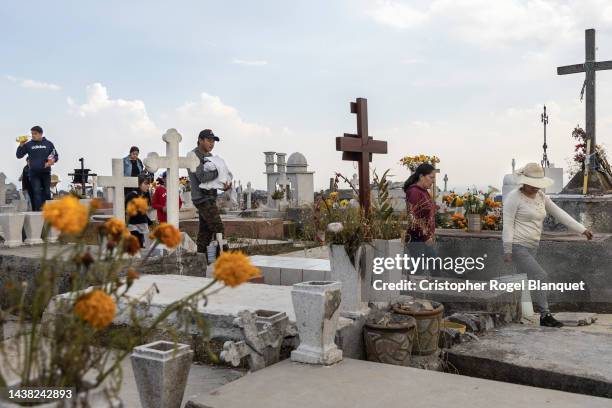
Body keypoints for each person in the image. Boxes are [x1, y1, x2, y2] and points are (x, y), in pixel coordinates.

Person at [503, 163, 593, 328]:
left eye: (538, 185)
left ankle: (521, 315)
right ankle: (545, 315)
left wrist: (582, 229)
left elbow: (559, 213)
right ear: (524, 182)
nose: (536, 188)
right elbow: (507, 224)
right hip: (518, 246)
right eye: (533, 185)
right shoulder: (513, 198)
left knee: (525, 281)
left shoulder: (541, 197)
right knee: (540, 276)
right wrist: (507, 249)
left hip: (533, 246)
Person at [187, 129, 231, 254]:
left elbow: (213, 181)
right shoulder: (193, 156)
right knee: (218, 228)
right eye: (209, 140)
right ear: (200, 140)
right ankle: (226, 260)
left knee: (205, 232)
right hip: (201, 198)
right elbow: (202, 177)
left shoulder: (211, 157)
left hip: (211, 197)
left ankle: (199, 260)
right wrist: (219, 171)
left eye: (213, 141)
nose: (211, 144)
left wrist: (224, 185)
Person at [403, 163, 438, 276]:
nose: (432, 181)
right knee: (418, 268)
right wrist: (426, 236)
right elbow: (413, 216)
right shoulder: (414, 192)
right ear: (421, 176)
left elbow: (424, 210)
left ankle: (441, 289)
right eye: (431, 177)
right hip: (417, 237)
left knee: (435, 264)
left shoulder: (423, 191)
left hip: (424, 237)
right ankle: (404, 288)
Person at [16, 126, 58, 211]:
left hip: (46, 172)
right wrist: (21, 145)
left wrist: (51, 161)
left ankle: (48, 212)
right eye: (32, 134)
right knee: (36, 192)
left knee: (47, 192)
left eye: (35, 133)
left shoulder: (48, 143)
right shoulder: (28, 144)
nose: (33, 135)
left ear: (41, 134)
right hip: (34, 173)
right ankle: (38, 213)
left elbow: (55, 156)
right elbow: (19, 155)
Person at [125, 174, 153, 248]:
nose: (148, 186)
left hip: (140, 229)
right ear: (138, 184)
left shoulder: (142, 196)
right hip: (133, 229)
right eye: (145, 183)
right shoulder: (132, 196)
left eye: (149, 184)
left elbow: (142, 213)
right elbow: (131, 213)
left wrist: (150, 222)